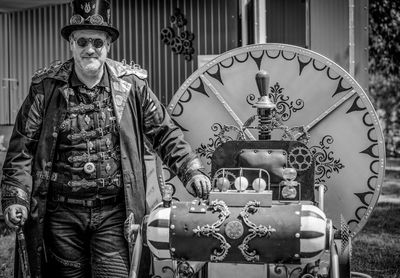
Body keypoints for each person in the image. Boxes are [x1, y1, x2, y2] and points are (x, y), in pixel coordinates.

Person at [0, 0, 211, 277]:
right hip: (61, 216)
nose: (90, 49)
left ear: (108, 45)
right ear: (71, 44)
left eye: (97, 43)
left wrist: (191, 170)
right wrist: (16, 198)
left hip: (115, 215)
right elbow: (22, 148)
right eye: (83, 41)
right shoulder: (45, 88)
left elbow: (163, 131)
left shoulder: (132, 85)